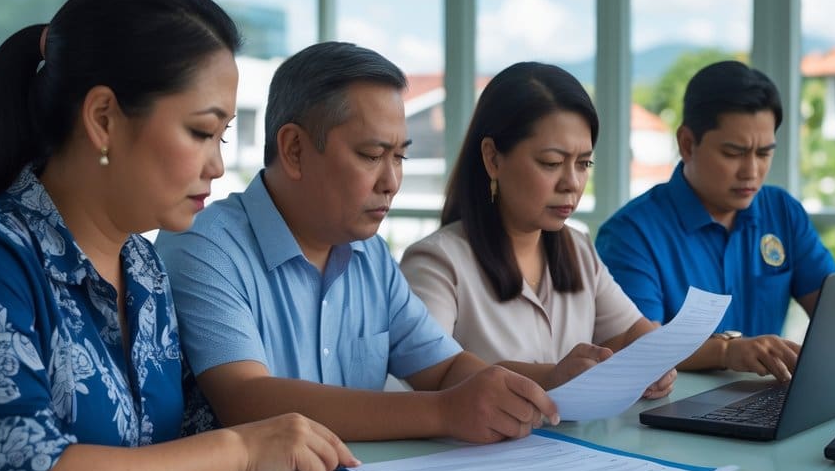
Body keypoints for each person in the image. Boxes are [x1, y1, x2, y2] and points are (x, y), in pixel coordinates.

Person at [0, 0, 356, 471]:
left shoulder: (143, 267)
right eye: (201, 131)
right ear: (104, 119)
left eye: (224, 135)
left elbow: (186, 439)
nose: (218, 165)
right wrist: (240, 450)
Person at [154, 42, 558, 445]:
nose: (392, 182)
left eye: (399, 157)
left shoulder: (370, 255)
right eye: (371, 155)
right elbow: (246, 399)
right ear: (294, 149)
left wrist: (550, 384)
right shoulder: (204, 246)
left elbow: (445, 369)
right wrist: (444, 410)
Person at [399, 62, 674, 399]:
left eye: (584, 163)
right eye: (551, 163)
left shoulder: (578, 247)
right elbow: (432, 373)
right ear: (493, 159)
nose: (572, 183)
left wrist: (655, 358)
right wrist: (553, 377)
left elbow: (630, 332)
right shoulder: (437, 261)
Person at [596, 60, 835, 383]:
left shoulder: (782, 212)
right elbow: (640, 347)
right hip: (671, 413)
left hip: (766, 402)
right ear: (687, 144)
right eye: (734, 153)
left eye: (764, 153)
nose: (751, 171)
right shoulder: (630, 235)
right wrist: (728, 351)